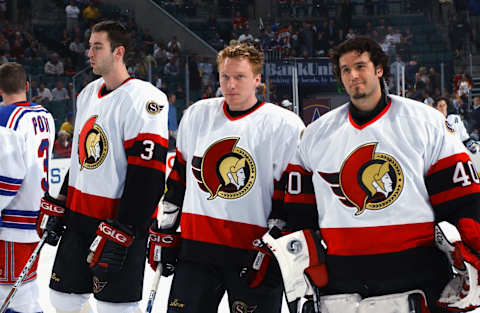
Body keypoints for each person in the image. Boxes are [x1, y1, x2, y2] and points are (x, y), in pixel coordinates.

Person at [279, 36, 480, 313]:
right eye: (346, 70)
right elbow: (299, 211)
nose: (353, 75)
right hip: (343, 278)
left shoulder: (425, 121)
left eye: (360, 66)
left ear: (379, 69)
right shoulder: (316, 134)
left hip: (418, 273)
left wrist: (472, 244)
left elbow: (463, 198)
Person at [147, 43, 305, 313]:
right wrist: (166, 229)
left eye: (240, 77)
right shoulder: (197, 115)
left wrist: (275, 246)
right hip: (196, 251)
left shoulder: (285, 125)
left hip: (253, 255)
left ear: (257, 79)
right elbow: (179, 180)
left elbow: (290, 199)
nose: (230, 85)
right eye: (225, 77)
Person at [41, 20, 169, 313]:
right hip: (79, 216)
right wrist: (61, 199)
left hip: (117, 224)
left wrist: (127, 228)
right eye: (89, 46)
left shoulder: (145, 99)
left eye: (97, 47)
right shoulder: (87, 94)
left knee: (115, 308)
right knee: (63, 299)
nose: (90, 53)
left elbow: (148, 175)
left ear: (118, 52)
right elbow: (80, 159)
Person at [0, 62, 55, 313]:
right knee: (27, 293)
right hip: (37, 220)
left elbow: (8, 179)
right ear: (27, 86)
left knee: (10, 297)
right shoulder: (45, 115)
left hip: (12, 225)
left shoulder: (5, 119)